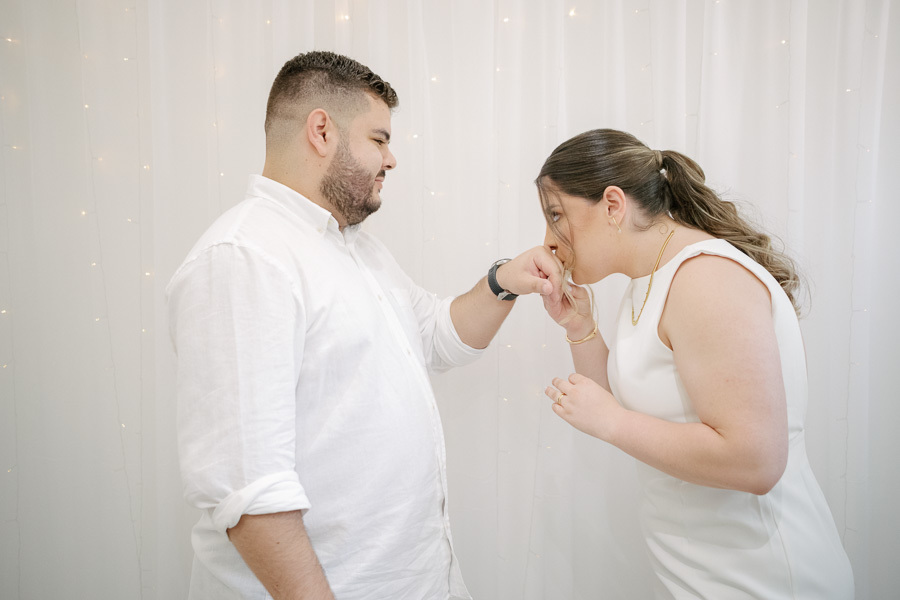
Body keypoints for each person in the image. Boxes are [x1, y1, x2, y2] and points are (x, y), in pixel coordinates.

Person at [167, 51, 561, 600]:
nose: (392, 158)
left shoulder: (357, 248)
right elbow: (249, 490)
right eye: (379, 139)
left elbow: (435, 337)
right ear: (322, 130)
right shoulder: (245, 258)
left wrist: (504, 281)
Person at [539, 129, 854, 598]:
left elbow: (756, 462)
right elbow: (634, 405)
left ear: (612, 205)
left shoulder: (704, 277)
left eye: (556, 216)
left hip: (764, 579)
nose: (548, 241)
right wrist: (579, 325)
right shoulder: (649, 277)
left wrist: (612, 424)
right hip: (702, 572)